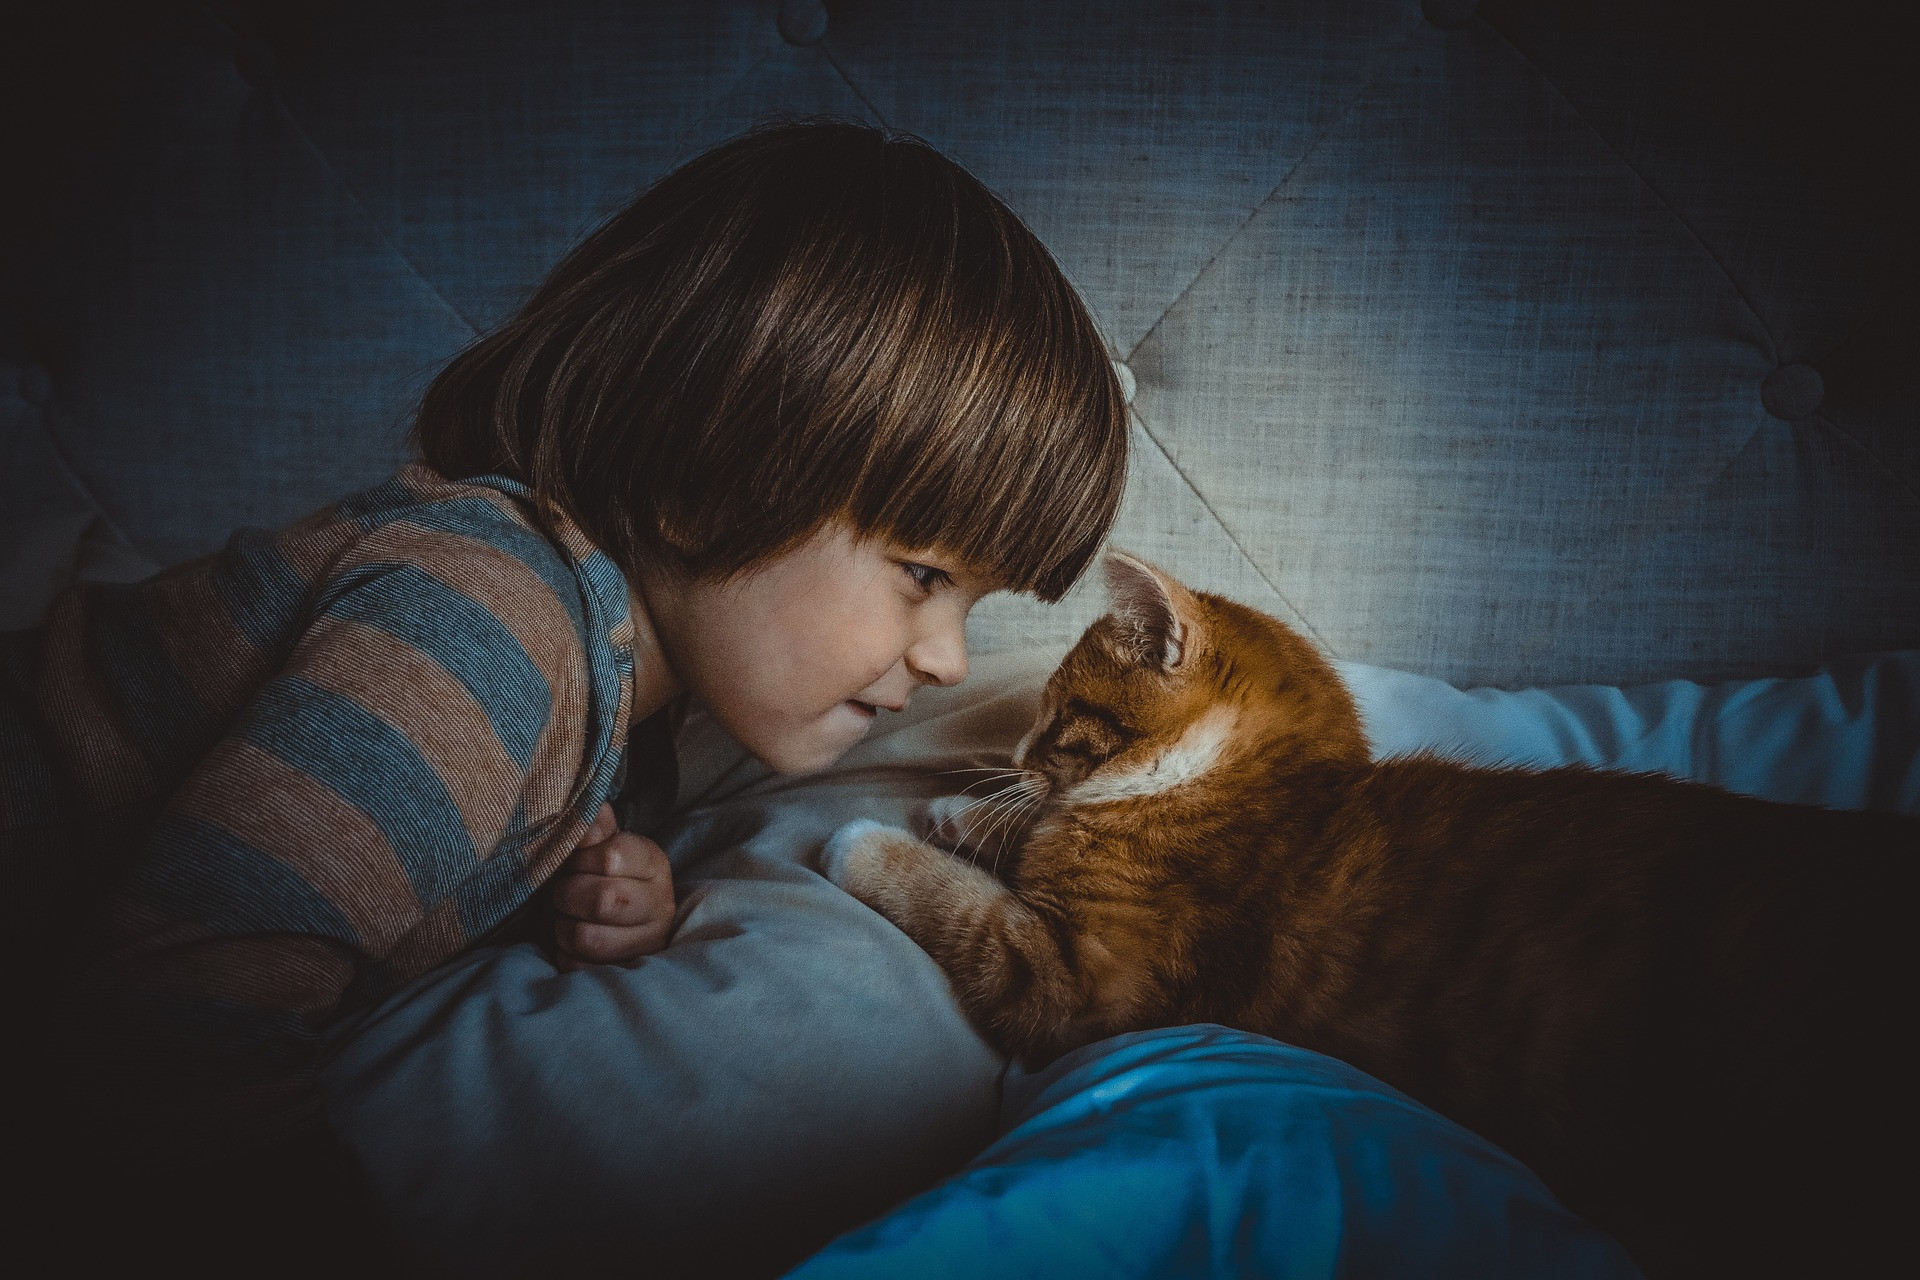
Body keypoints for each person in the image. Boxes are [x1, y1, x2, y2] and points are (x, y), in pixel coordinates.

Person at [2, 116, 1128, 1259]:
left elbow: (412, 854)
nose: (945, 657)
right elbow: (161, 1035)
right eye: (923, 574)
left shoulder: (619, 709)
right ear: (712, 472)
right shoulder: (478, 625)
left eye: (973, 608)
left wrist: (583, 889)